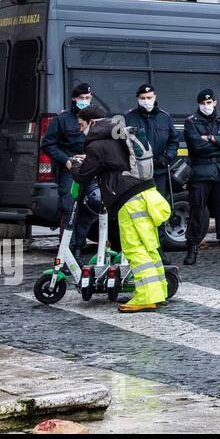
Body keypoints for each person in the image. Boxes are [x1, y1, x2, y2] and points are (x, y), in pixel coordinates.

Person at [73, 105, 170, 312]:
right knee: (150, 248)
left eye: (81, 125)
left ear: (91, 123)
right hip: (147, 193)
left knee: (134, 249)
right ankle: (159, 291)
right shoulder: (118, 135)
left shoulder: (96, 146)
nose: (80, 130)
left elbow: (83, 176)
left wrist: (73, 165)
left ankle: (145, 297)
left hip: (130, 200)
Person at [183, 88, 220, 263]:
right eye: (203, 103)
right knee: (197, 212)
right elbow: (197, 147)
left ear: (214, 102)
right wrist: (219, 140)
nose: (206, 106)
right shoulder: (191, 122)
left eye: (209, 103)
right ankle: (192, 249)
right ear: (198, 104)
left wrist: (211, 139)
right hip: (200, 173)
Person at [41, 82, 94, 254]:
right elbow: (48, 144)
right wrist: (66, 160)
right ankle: (66, 252)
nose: (84, 101)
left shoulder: (95, 118)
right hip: (70, 170)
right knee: (69, 209)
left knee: (90, 209)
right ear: (73, 99)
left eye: (87, 98)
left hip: (91, 169)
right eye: (81, 98)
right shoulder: (62, 119)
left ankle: (78, 247)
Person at [124, 84, 179, 206]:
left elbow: (174, 141)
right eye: (143, 98)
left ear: (155, 97)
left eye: (149, 97)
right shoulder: (129, 117)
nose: (146, 101)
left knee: (158, 208)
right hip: (136, 173)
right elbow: (122, 143)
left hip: (158, 172)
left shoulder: (165, 117)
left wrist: (166, 158)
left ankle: (160, 227)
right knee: (138, 208)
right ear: (138, 99)